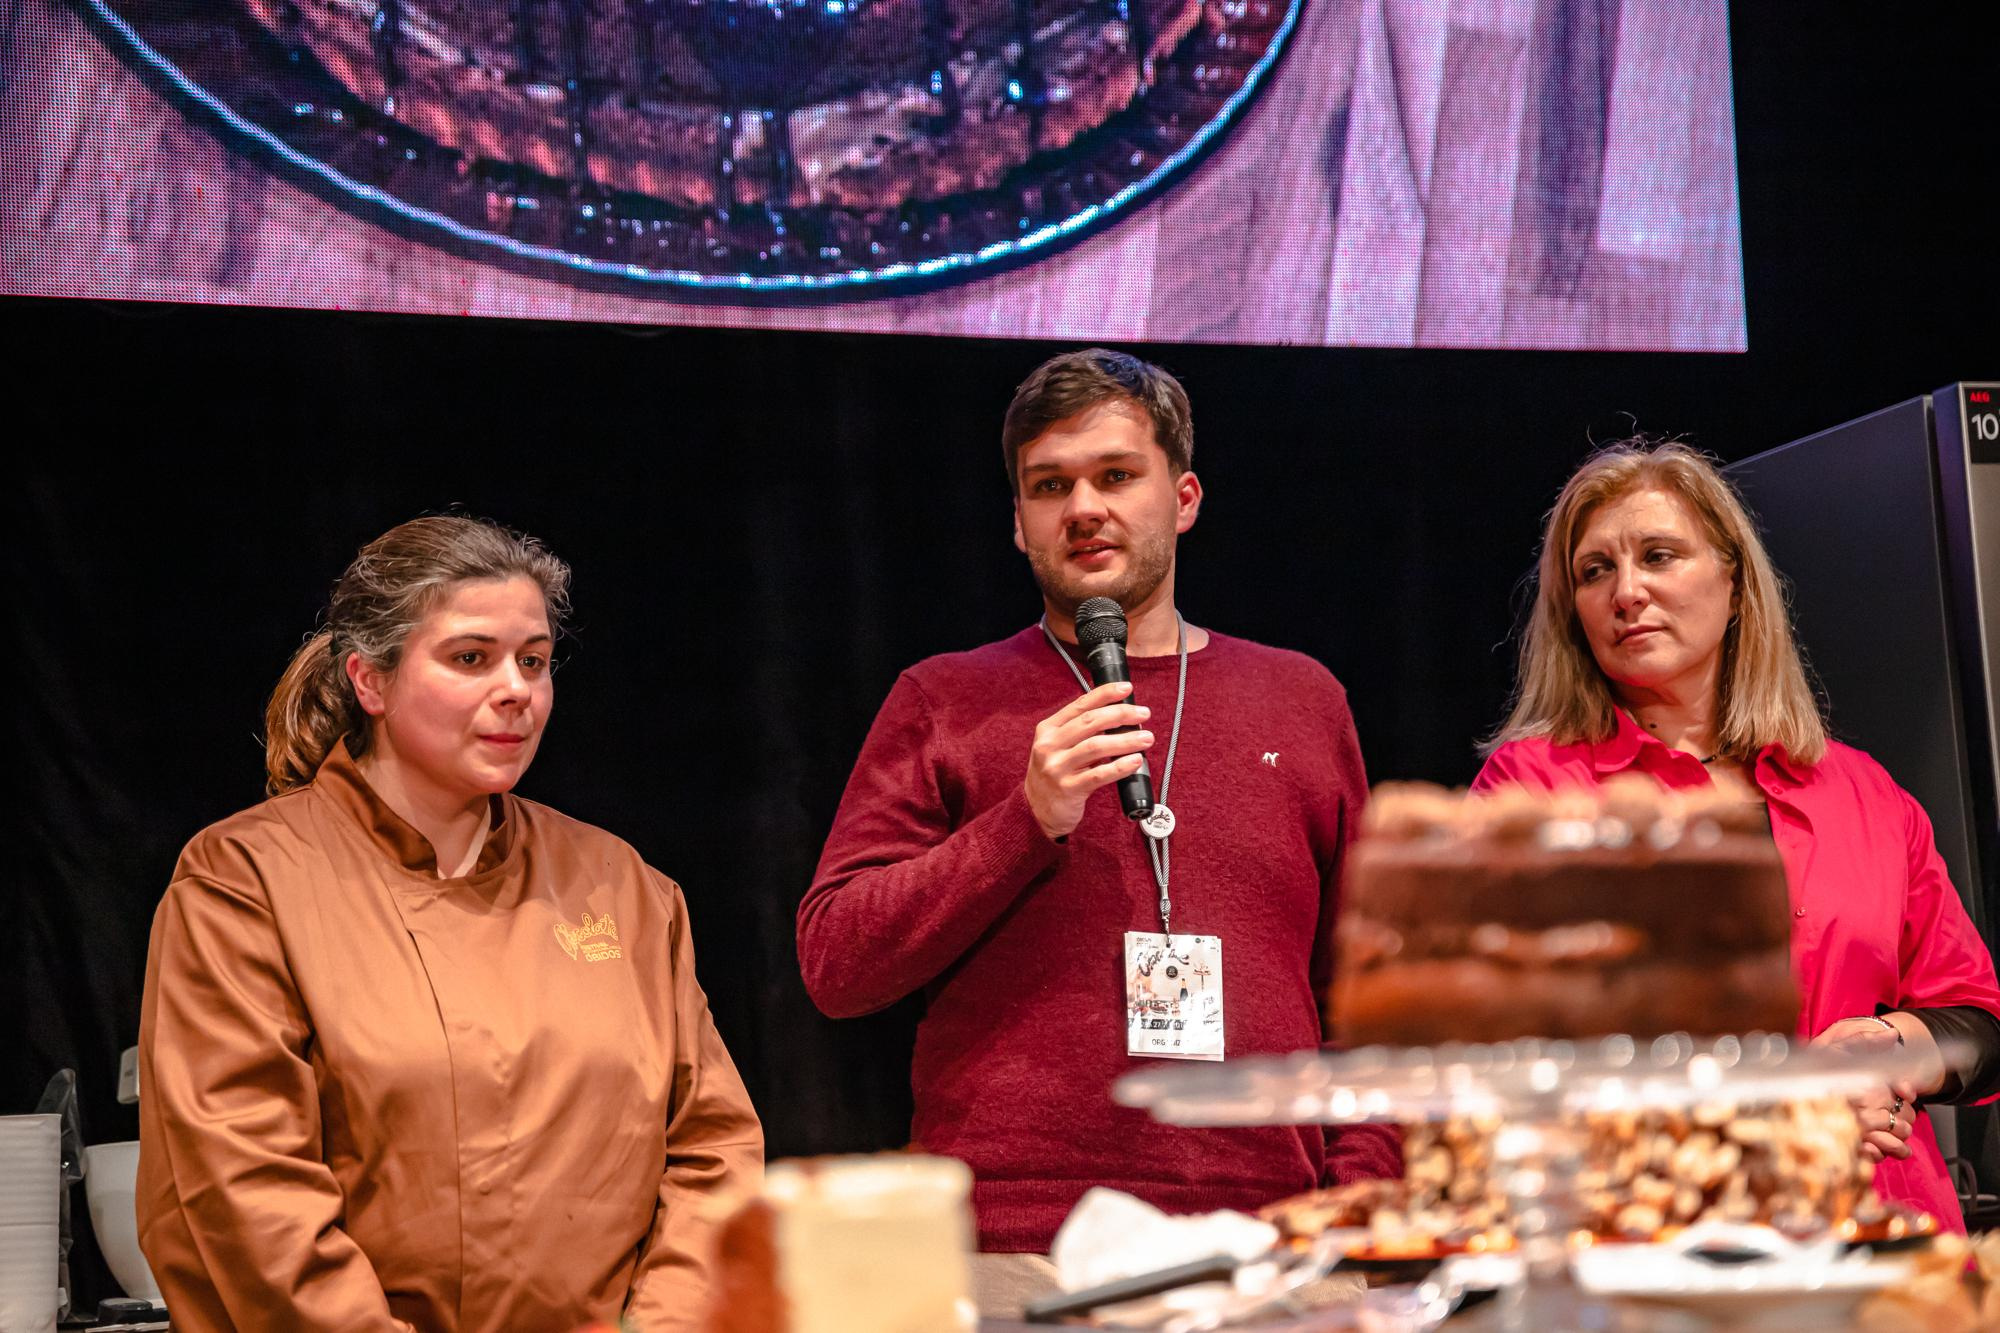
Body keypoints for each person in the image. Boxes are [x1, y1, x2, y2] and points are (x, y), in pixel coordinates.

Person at [797, 350, 1400, 1304]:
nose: (1084, 507)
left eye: (1116, 475)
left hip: (1272, 1242)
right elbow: (837, 961)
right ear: (1017, 522)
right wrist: (1024, 819)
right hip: (1012, 1246)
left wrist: (1360, 1196)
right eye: (1050, 486)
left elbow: (1372, 992)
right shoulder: (945, 699)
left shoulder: (1300, 699)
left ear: (1185, 496)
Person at [137, 516, 762, 1332]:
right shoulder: (245, 881)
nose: (517, 689)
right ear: (371, 681)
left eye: (533, 660)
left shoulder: (623, 886)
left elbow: (713, 1151)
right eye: (471, 657)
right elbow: (241, 1189)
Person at [1475, 438, 2000, 1231]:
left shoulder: (1862, 791)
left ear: (1735, 585)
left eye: (1658, 555)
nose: (1627, 591)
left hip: (1886, 1242)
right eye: (1594, 571)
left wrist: (1889, 1046)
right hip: (1659, 1244)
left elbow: (1980, 1020)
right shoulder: (1530, 792)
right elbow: (1502, 1050)